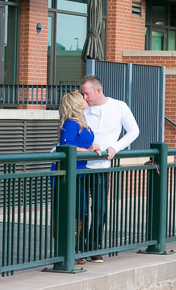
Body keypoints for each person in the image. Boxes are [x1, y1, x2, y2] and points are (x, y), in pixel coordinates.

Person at [79, 75, 140, 262]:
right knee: (80, 209)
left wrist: (115, 147)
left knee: (100, 208)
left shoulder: (119, 106)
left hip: (101, 166)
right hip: (80, 165)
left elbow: (134, 131)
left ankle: (94, 247)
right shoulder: (82, 108)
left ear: (98, 90)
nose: (84, 98)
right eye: (82, 94)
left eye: (87, 93)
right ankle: (78, 248)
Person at [54, 91, 97, 265]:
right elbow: (65, 145)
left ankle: (73, 249)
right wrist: (87, 151)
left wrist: (93, 146)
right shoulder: (71, 123)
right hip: (69, 172)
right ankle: (68, 251)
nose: (85, 99)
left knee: (80, 210)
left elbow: (82, 142)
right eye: (81, 98)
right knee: (70, 210)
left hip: (80, 172)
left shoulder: (81, 122)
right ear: (75, 104)